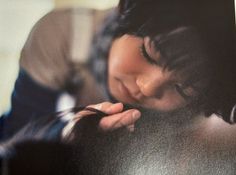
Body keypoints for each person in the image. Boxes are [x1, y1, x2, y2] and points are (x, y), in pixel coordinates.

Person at [1, 0, 236, 139]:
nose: (147, 87)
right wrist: (72, 132)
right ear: (126, 13)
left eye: (182, 89)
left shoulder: (191, 107)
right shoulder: (61, 36)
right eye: (147, 54)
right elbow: (16, 135)